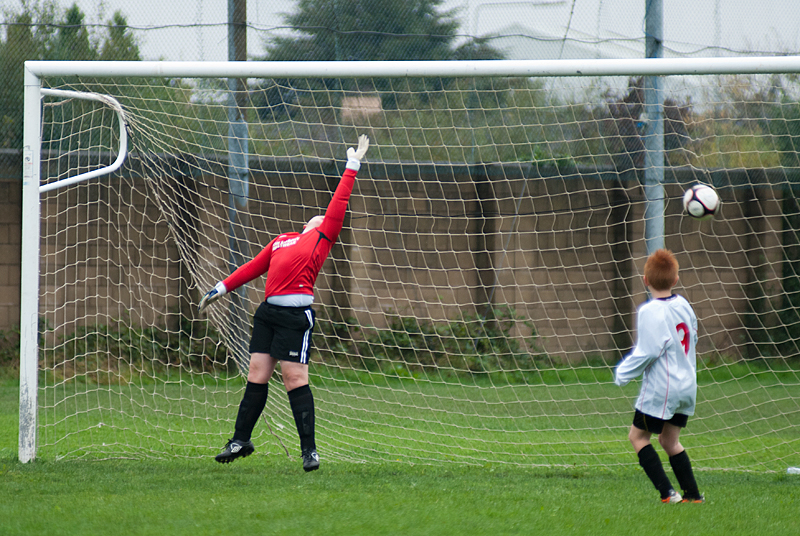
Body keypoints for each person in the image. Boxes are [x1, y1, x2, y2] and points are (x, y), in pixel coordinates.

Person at [198, 135, 370, 472]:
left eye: (326, 218)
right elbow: (252, 267)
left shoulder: (323, 237)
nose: (323, 218)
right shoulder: (281, 240)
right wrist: (220, 288)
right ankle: (240, 439)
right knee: (256, 374)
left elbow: (338, 204)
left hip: (295, 317)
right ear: (306, 222)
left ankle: (309, 451)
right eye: (317, 217)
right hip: (267, 314)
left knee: (294, 379)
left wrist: (352, 166)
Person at [614, 248, 704, 503]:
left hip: (663, 387)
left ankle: (667, 492)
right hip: (687, 385)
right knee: (669, 440)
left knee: (637, 437)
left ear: (645, 280)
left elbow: (649, 351)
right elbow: (693, 337)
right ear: (675, 279)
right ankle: (693, 495)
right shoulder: (683, 304)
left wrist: (623, 373)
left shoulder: (650, 311)